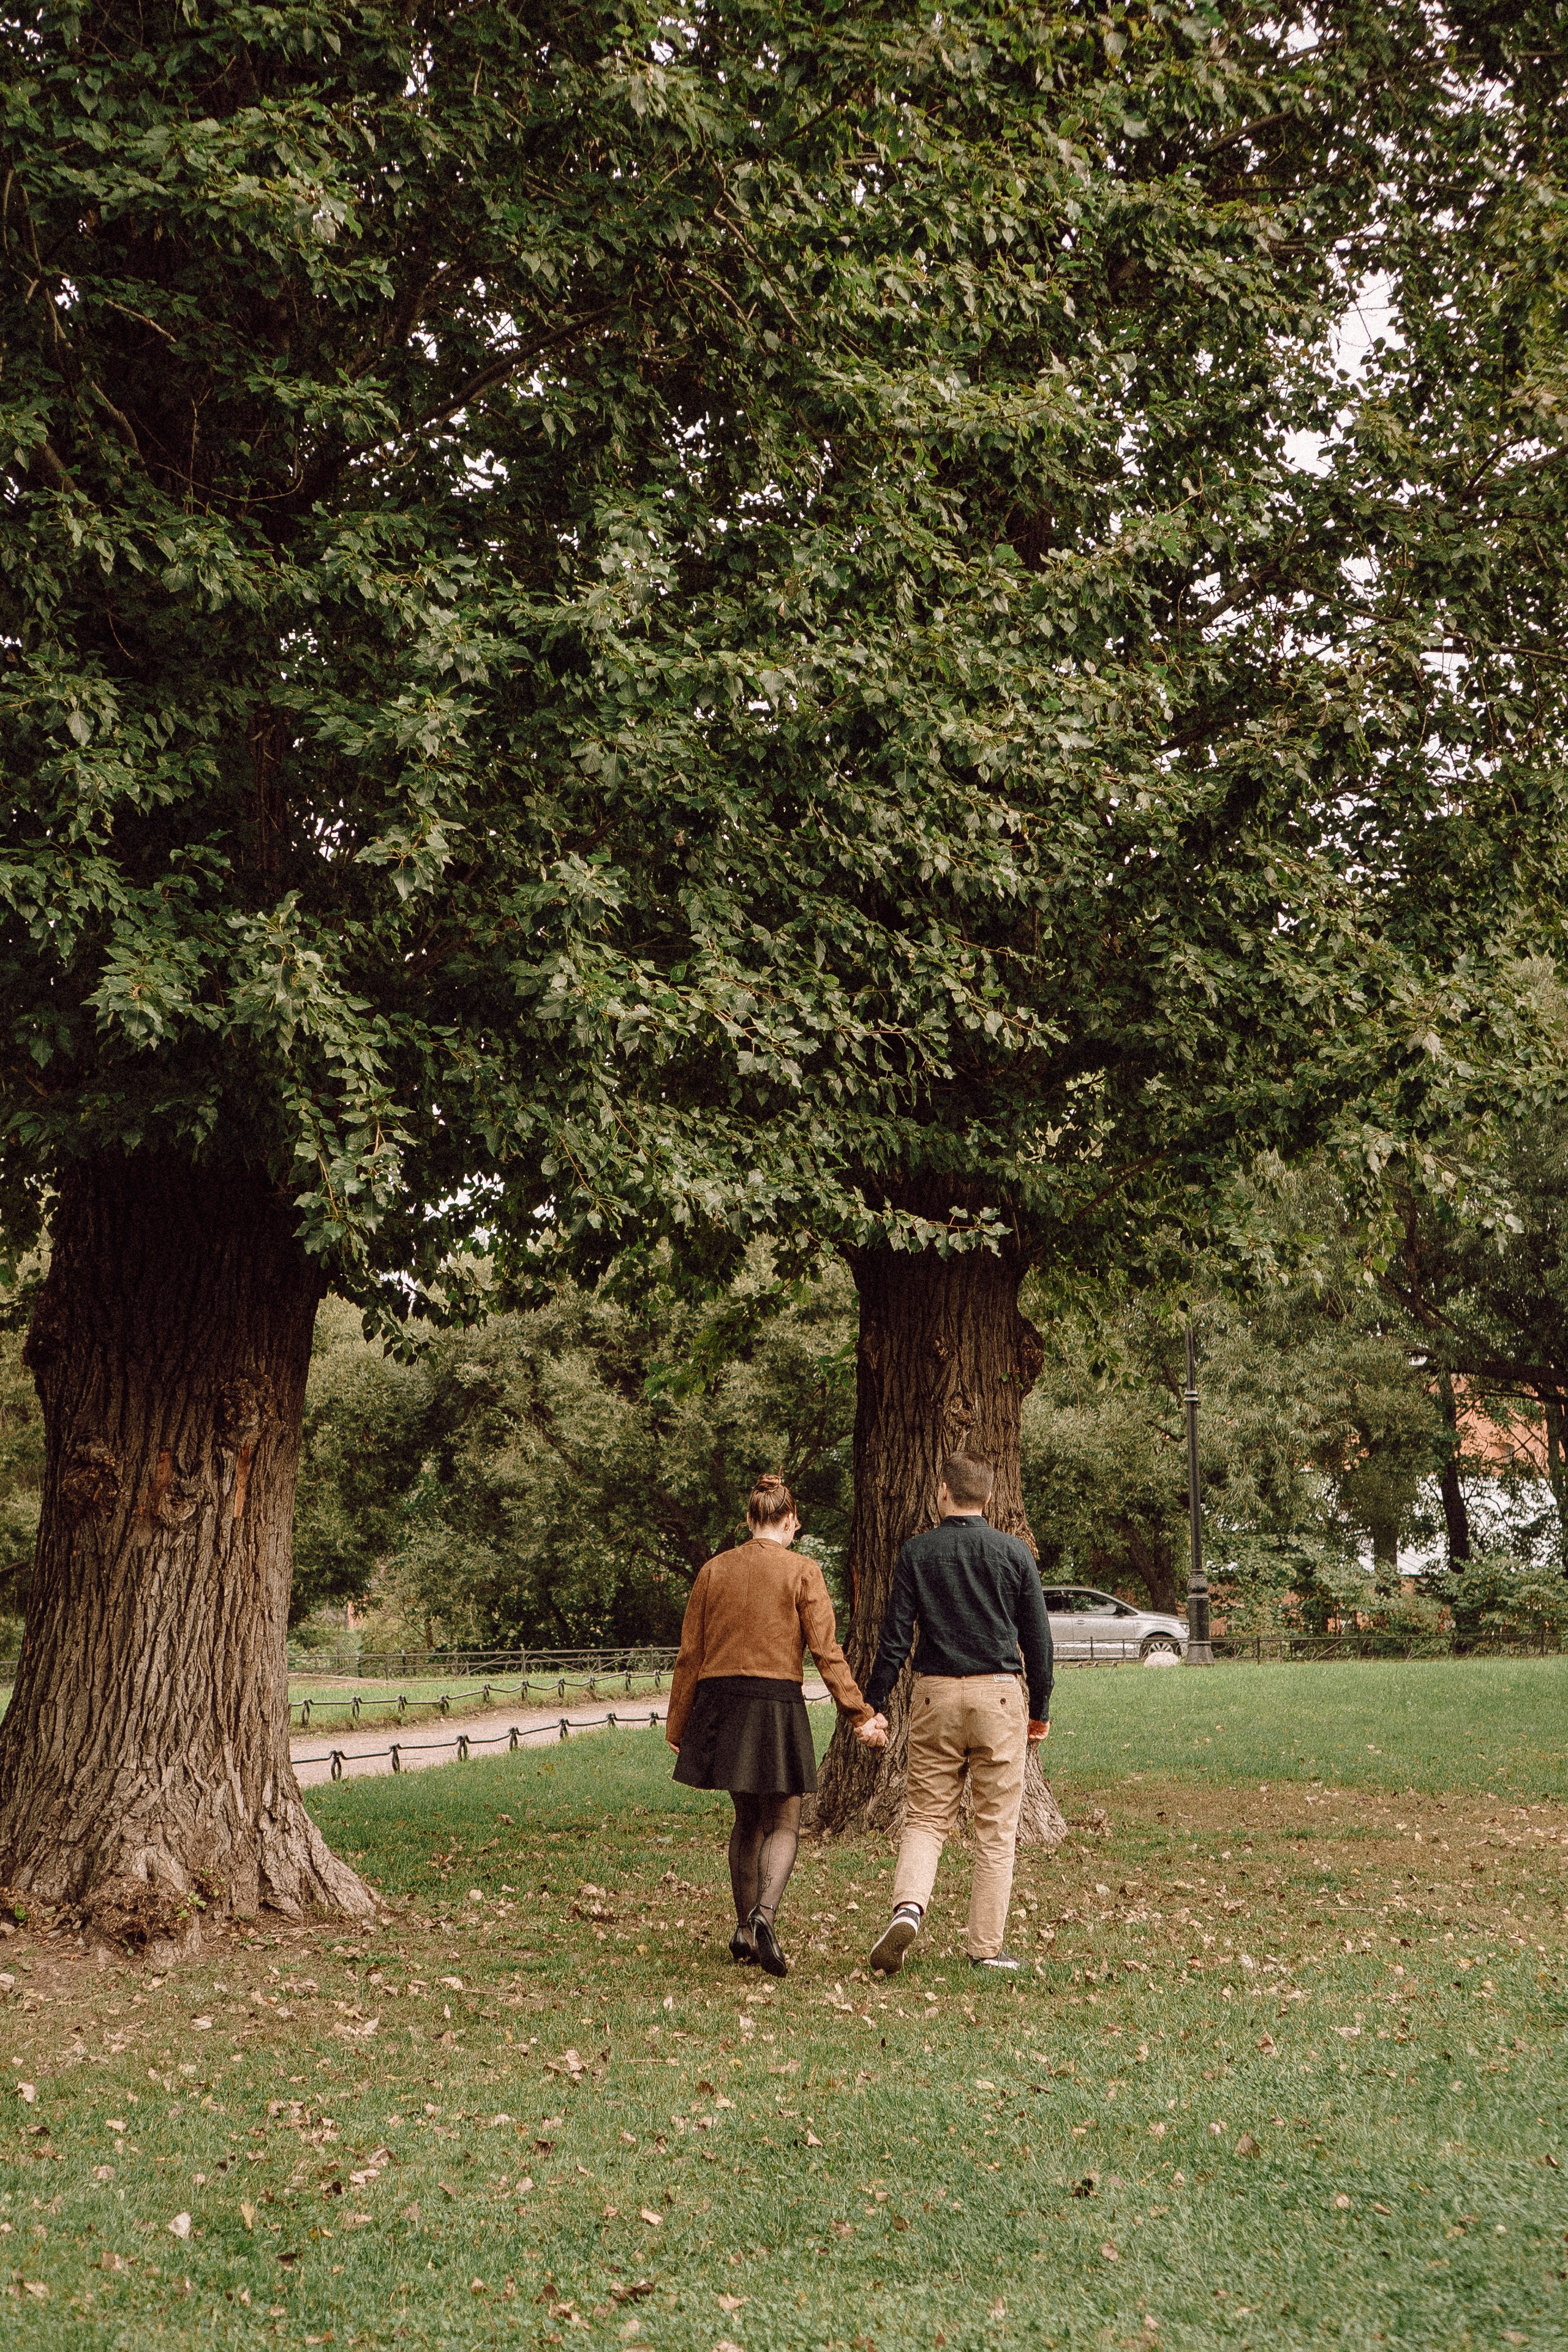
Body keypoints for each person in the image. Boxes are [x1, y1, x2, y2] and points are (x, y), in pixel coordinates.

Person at [666, 1472, 875, 1978]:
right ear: (789, 1522)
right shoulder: (803, 1570)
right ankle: (765, 1916)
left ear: (748, 1519)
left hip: (721, 1703)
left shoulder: (713, 1571)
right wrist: (859, 1715)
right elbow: (827, 1652)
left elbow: (689, 1654)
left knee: (746, 1819)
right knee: (784, 1821)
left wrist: (679, 1726)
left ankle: (742, 1927)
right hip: (775, 1701)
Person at [861, 1452, 1052, 1975]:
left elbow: (895, 1640)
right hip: (999, 1695)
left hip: (935, 1695)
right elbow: (1038, 1641)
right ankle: (986, 1949)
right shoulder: (1013, 1554)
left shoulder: (917, 1553)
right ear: (989, 1499)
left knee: (925, 1816)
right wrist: (1043, 1706)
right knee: (995, 1829)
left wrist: (873, 1703)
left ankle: (908, 1909)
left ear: (942, 1492)